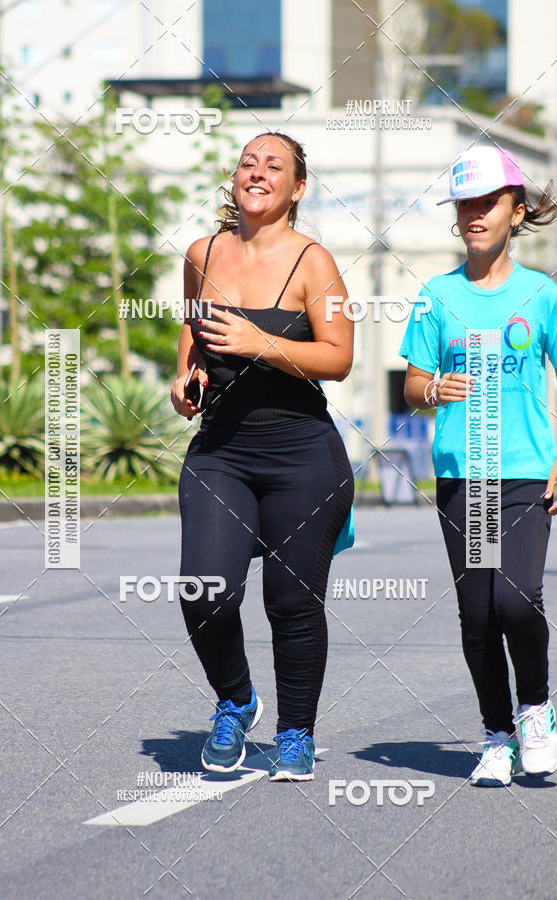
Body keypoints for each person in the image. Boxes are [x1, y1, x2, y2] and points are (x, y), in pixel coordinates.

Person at [171, 132, 354, 781]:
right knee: (204, 590)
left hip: (303, 454)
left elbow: (337, 357)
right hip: (221, 451)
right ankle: (236, 699)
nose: (258, 172)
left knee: (291, 600)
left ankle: (296, 732)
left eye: (274, 165)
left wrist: (257, 342)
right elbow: (192, 333)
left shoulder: (313, 263)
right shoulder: (203, 253)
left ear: (296, 188)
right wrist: (184, 377)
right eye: (249, 162)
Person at [400, 145, 557, 787]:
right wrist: (433, 389)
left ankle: (535, 707)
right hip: (461, 475)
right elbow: (412, 386)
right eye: (464, 204)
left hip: (527, 469)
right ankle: (495, 735)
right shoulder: (436, 296)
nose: (473, 214)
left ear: (516, 211)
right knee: (478, 612)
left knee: (517, 598)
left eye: (487, 202)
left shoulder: (542, 294)